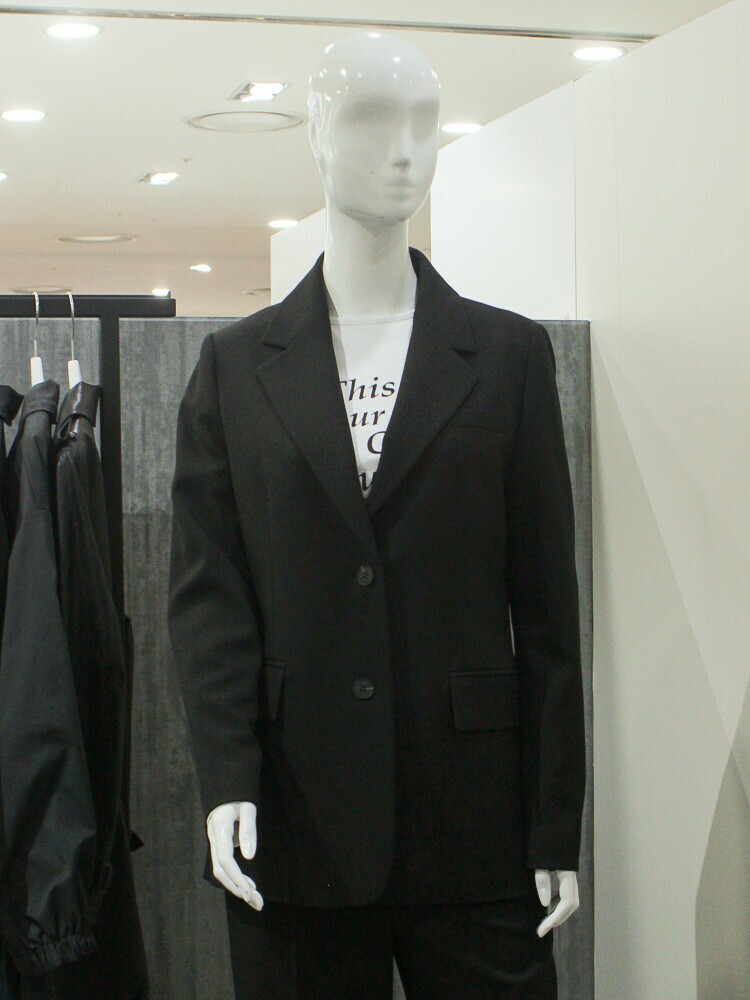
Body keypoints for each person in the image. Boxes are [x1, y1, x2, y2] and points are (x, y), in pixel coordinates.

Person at [168, 30, 585, 1000]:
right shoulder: (236, 368)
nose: (404, 151)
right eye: (369, 120)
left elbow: (549, 615)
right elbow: (210, 600)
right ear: (315, 135)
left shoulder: (507, 357)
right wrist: (228, 778)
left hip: (475, 821)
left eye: (423, 124)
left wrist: (554, 822)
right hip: (295, 814)